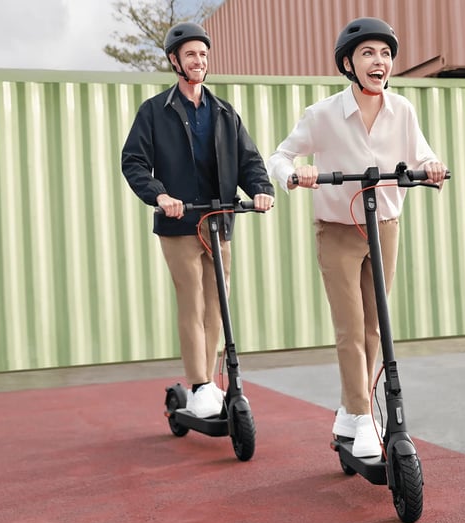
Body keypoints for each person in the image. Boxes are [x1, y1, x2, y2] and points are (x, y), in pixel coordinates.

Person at [267, 17, 447, 457]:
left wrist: (433, 167)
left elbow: (422, 154)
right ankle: (363, 418)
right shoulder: (323, 114)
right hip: (337, 230)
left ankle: (352, 410)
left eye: (385, 54)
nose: (379, 61)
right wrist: (295, 175)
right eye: (368, 53)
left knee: (376, 327)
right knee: (350, 328)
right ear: (348, 63)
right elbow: (280, 155)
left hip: (384, 227)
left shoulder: (402, 109)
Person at [121, 22, 275, 418]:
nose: (199, 60)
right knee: (192, 302)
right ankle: (202, 384)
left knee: (217, 305)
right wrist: (160, 195)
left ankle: (210, 381)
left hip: (219, 221)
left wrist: (261, 190)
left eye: (203, 54)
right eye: (191, 54)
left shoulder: (224, 112)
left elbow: (249, 161)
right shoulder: (154, 111)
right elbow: (133, 161)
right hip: (179, 223)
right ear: (174, 60)